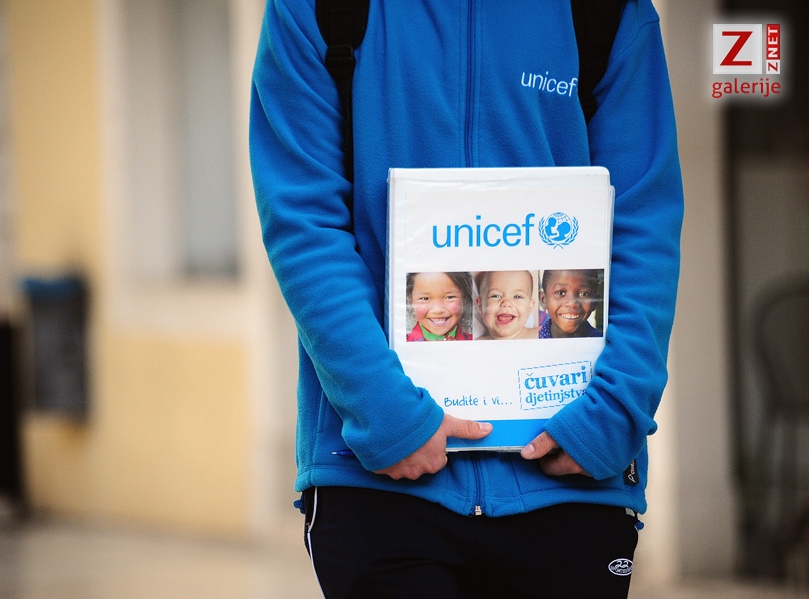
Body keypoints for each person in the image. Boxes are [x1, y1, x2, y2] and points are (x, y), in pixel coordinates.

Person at [249, 1, 683, 597]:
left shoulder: (606, 11)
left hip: (571, 472)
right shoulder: (319, 8)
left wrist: (612, 413)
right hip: (380, 476)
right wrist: (386, 415)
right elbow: (303, 224)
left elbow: (645, 224)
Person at [406, 272, 474, 342]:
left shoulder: (475, 342)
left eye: (450, 297)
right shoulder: (401, 344)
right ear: (411, 300)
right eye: (425, 298)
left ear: (464, 299)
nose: (437, 310)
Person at [538, 269, 604, 339]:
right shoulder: (533, 343)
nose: (572, 303)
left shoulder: (603, 342)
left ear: (595, 302)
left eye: (584, 294)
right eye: (560, 293)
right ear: (543, 299)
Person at [474, 270, 539, 340]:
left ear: (530, 306)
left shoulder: (540, 335)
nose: (506, 303)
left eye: (517, 297)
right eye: (496, 296)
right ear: (480, 306)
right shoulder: (476, 344)